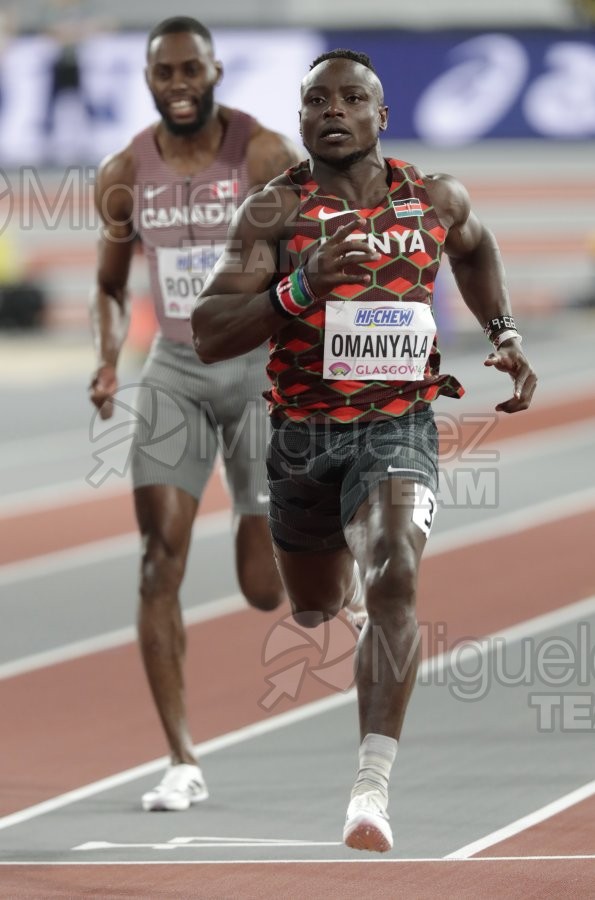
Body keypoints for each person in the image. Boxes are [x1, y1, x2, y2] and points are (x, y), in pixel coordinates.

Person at [191, 49, 537, 852]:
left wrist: (504, 333)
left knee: (396, 568)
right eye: (317, 101)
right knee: (312, 607)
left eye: (352, 99)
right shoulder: (273, 214)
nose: (333, 111)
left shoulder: (433, 198)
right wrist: (300, 285)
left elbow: (475, 248)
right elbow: (209, 333)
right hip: (303, 436)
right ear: (302, 119)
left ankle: (370, 790)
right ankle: (341, 592)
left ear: (380, 116)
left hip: (398, 425)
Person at [89, 17, 302, 812]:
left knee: (262, 589)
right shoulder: (123, 171)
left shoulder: (264, 155)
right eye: (162, 75)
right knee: (157, 559)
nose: (177, 86)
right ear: (147, 81)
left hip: (253, 369)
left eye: (190, 70)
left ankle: (307, 529)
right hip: (174, 370)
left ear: (215, 70)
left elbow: (308, 260)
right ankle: (181, 758)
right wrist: (109, 359)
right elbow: (109, 286)